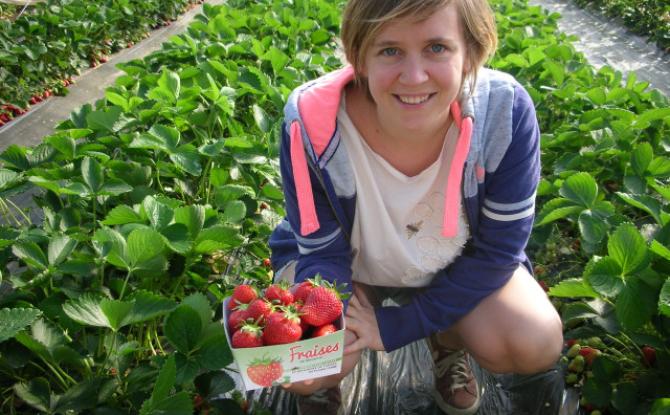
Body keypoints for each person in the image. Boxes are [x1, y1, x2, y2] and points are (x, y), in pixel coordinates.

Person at [268, 0, 564, 413]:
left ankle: (446, 341)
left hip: (450, 267)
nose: (414, 76)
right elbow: (321, 252)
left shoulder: (504, 114)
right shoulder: (312, 122)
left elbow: (496, 253)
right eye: (390, 50)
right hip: (347, 267)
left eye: (437, 48)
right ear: (360, 57)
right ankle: (326, 380)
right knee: (303, 365)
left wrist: (402, 324)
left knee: (531, 340)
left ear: (471, 52)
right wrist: (323, 333)